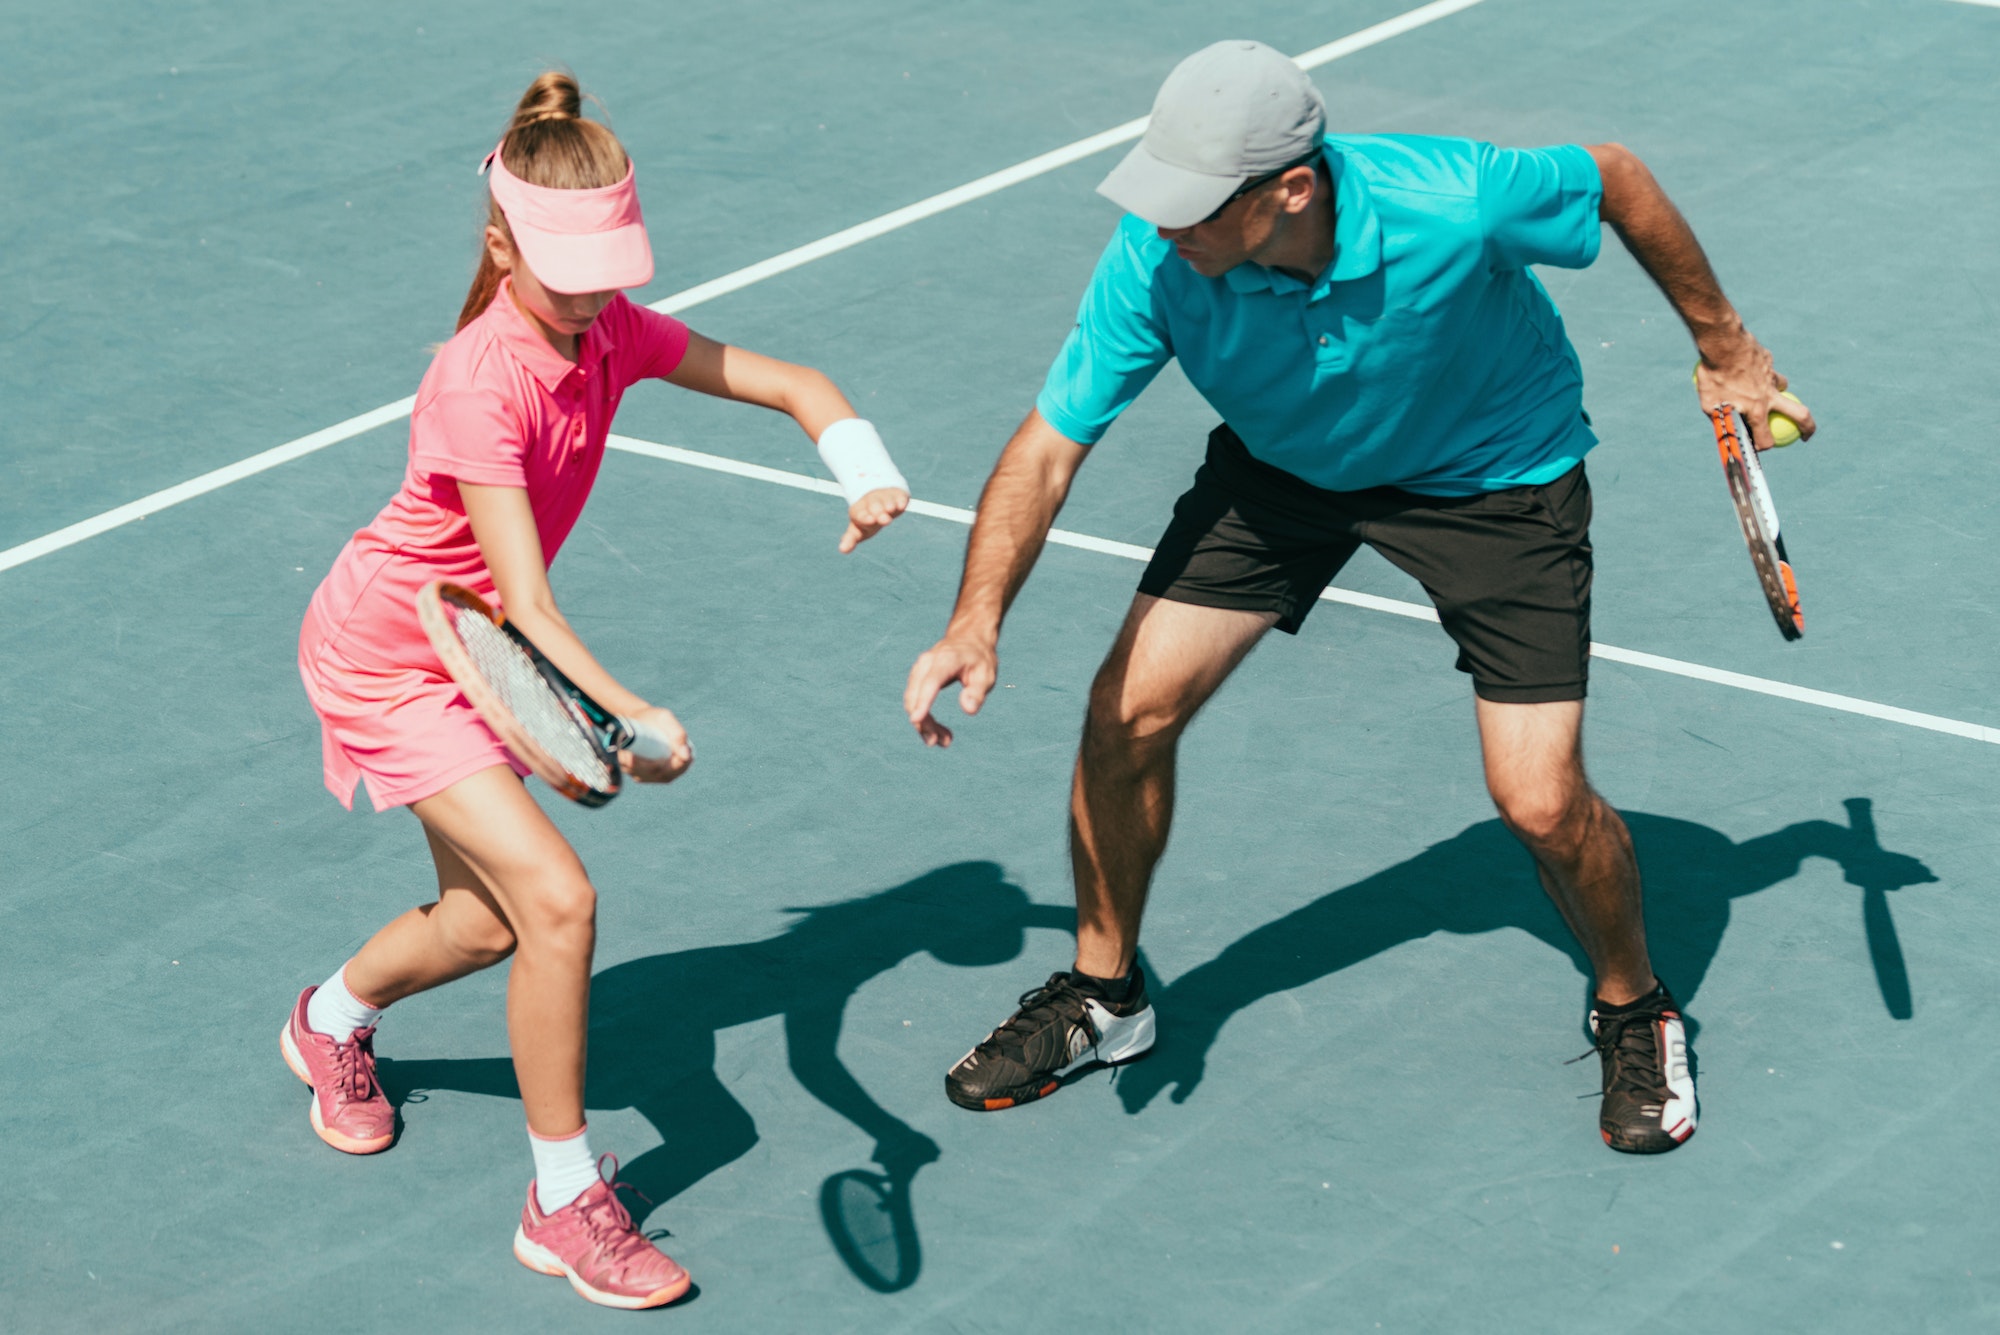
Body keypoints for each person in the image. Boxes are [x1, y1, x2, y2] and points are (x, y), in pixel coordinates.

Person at [904, 40, 1813, 1154]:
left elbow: (1616, 176)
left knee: (1537, 800)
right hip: (1285, 471)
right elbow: (1049, 446)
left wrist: (1727, 347)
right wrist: (976, 615)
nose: (1163, 224)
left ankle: (1633, 1003)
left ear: (1291, 190)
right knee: (1124, 713)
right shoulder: (1158, 258)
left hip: (1491, 480)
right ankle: (1106, 997)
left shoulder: (1456, 202)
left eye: (1193, 203)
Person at [285, 71, 909, 1310]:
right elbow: (525, 603)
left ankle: (327, 1021)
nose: (589, 297)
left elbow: (797, 383)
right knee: (558, 900)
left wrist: (862, 469)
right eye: (567, 274)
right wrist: (633, 719)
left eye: (605, 272)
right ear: (500, 248)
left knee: (484, 927)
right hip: (392, 655)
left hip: (476, 654)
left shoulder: (607, 329)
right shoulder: (479, 381)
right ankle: (563, 1202)